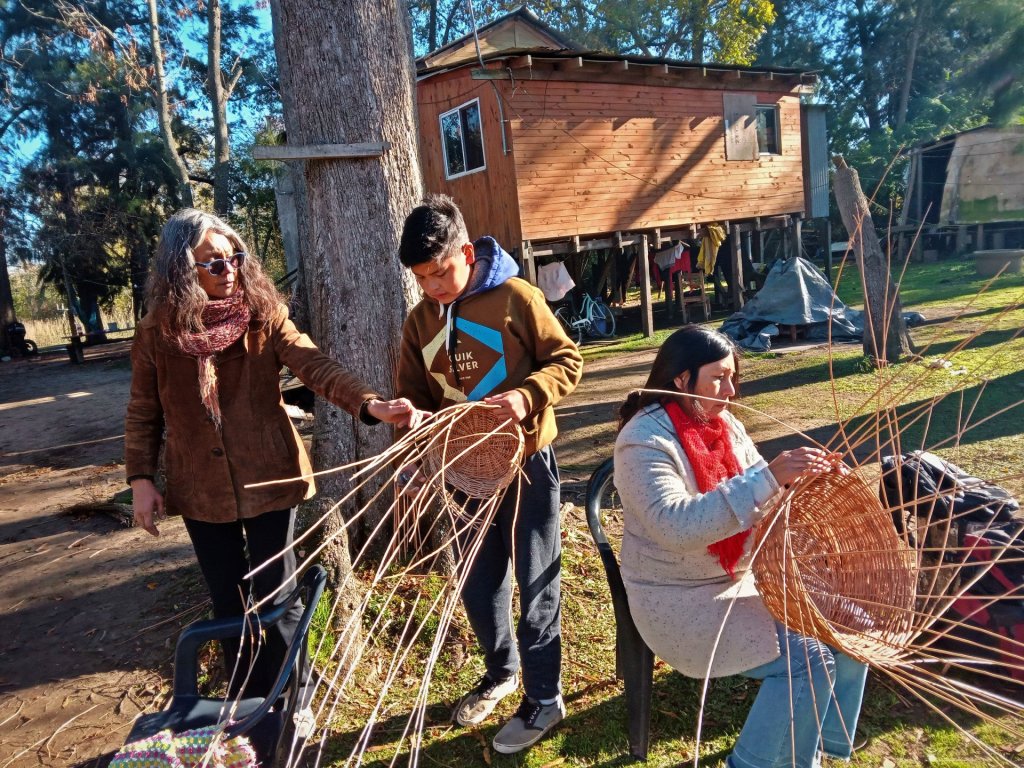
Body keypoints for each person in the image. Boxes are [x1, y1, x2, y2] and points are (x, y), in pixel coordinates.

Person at [124, 208, 419, 725]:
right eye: (214, 263)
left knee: (277, 596)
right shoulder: (156, 334)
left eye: (235, 257)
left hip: (270, 476)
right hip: (200, 488)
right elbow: (143, 410)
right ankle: (249, 701)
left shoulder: (263, 315)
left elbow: (314, 365)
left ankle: (295, 695)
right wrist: (141, 479)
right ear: (182, 271)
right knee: (227, 599)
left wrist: (370, 404)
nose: (230, 270)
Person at [613, 325, 868, 768]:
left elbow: (763, 499)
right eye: (718, 378)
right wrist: (770, 477)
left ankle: (823, 743)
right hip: (678, 598)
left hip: (745, 578)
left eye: (733, 377)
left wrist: (805, 480)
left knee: (850, 623)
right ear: (681, 379)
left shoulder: (724, 423)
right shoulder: (643, 441)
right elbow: (675, 527)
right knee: (808, 662)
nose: (731, 391)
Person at [395, 194, 583, 754]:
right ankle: (502, 671)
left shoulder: (517, 298)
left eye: (440, 272)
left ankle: (544, 696)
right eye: (421, 278)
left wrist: (526, 397)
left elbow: (567, 360)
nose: (433, 287)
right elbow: (413, 395)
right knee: (479, 582)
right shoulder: (419, 321)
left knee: (536, 577)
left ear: (467, 253)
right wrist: (414, 442)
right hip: (461, 473)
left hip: (526, 467)